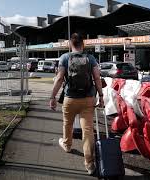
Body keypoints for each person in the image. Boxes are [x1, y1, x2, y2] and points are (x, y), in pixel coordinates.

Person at [49, 33, 104, 175]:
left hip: (70, 98)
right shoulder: (91, 58)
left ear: (70, 44)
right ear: (83, 44)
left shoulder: (64, 58)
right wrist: (102, 96)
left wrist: (52, 96)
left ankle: (67, 145)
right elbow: (97, 78)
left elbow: (60, 78)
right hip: (88, 99)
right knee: (88, 131)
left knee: (67, 123)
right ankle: (90, 164)